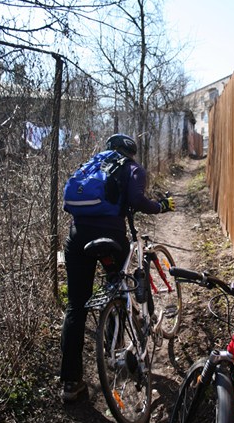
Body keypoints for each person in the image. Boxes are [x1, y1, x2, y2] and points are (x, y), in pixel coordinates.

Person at [60, 133, 175, 402]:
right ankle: (117, 353)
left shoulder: (91, 165)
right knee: (118, 288)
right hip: (111, 238)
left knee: (76, 306)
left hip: (77, 238)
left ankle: (70, 383)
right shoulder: (132, 168)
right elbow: (137, 201)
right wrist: (160, 206)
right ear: (131, 152)